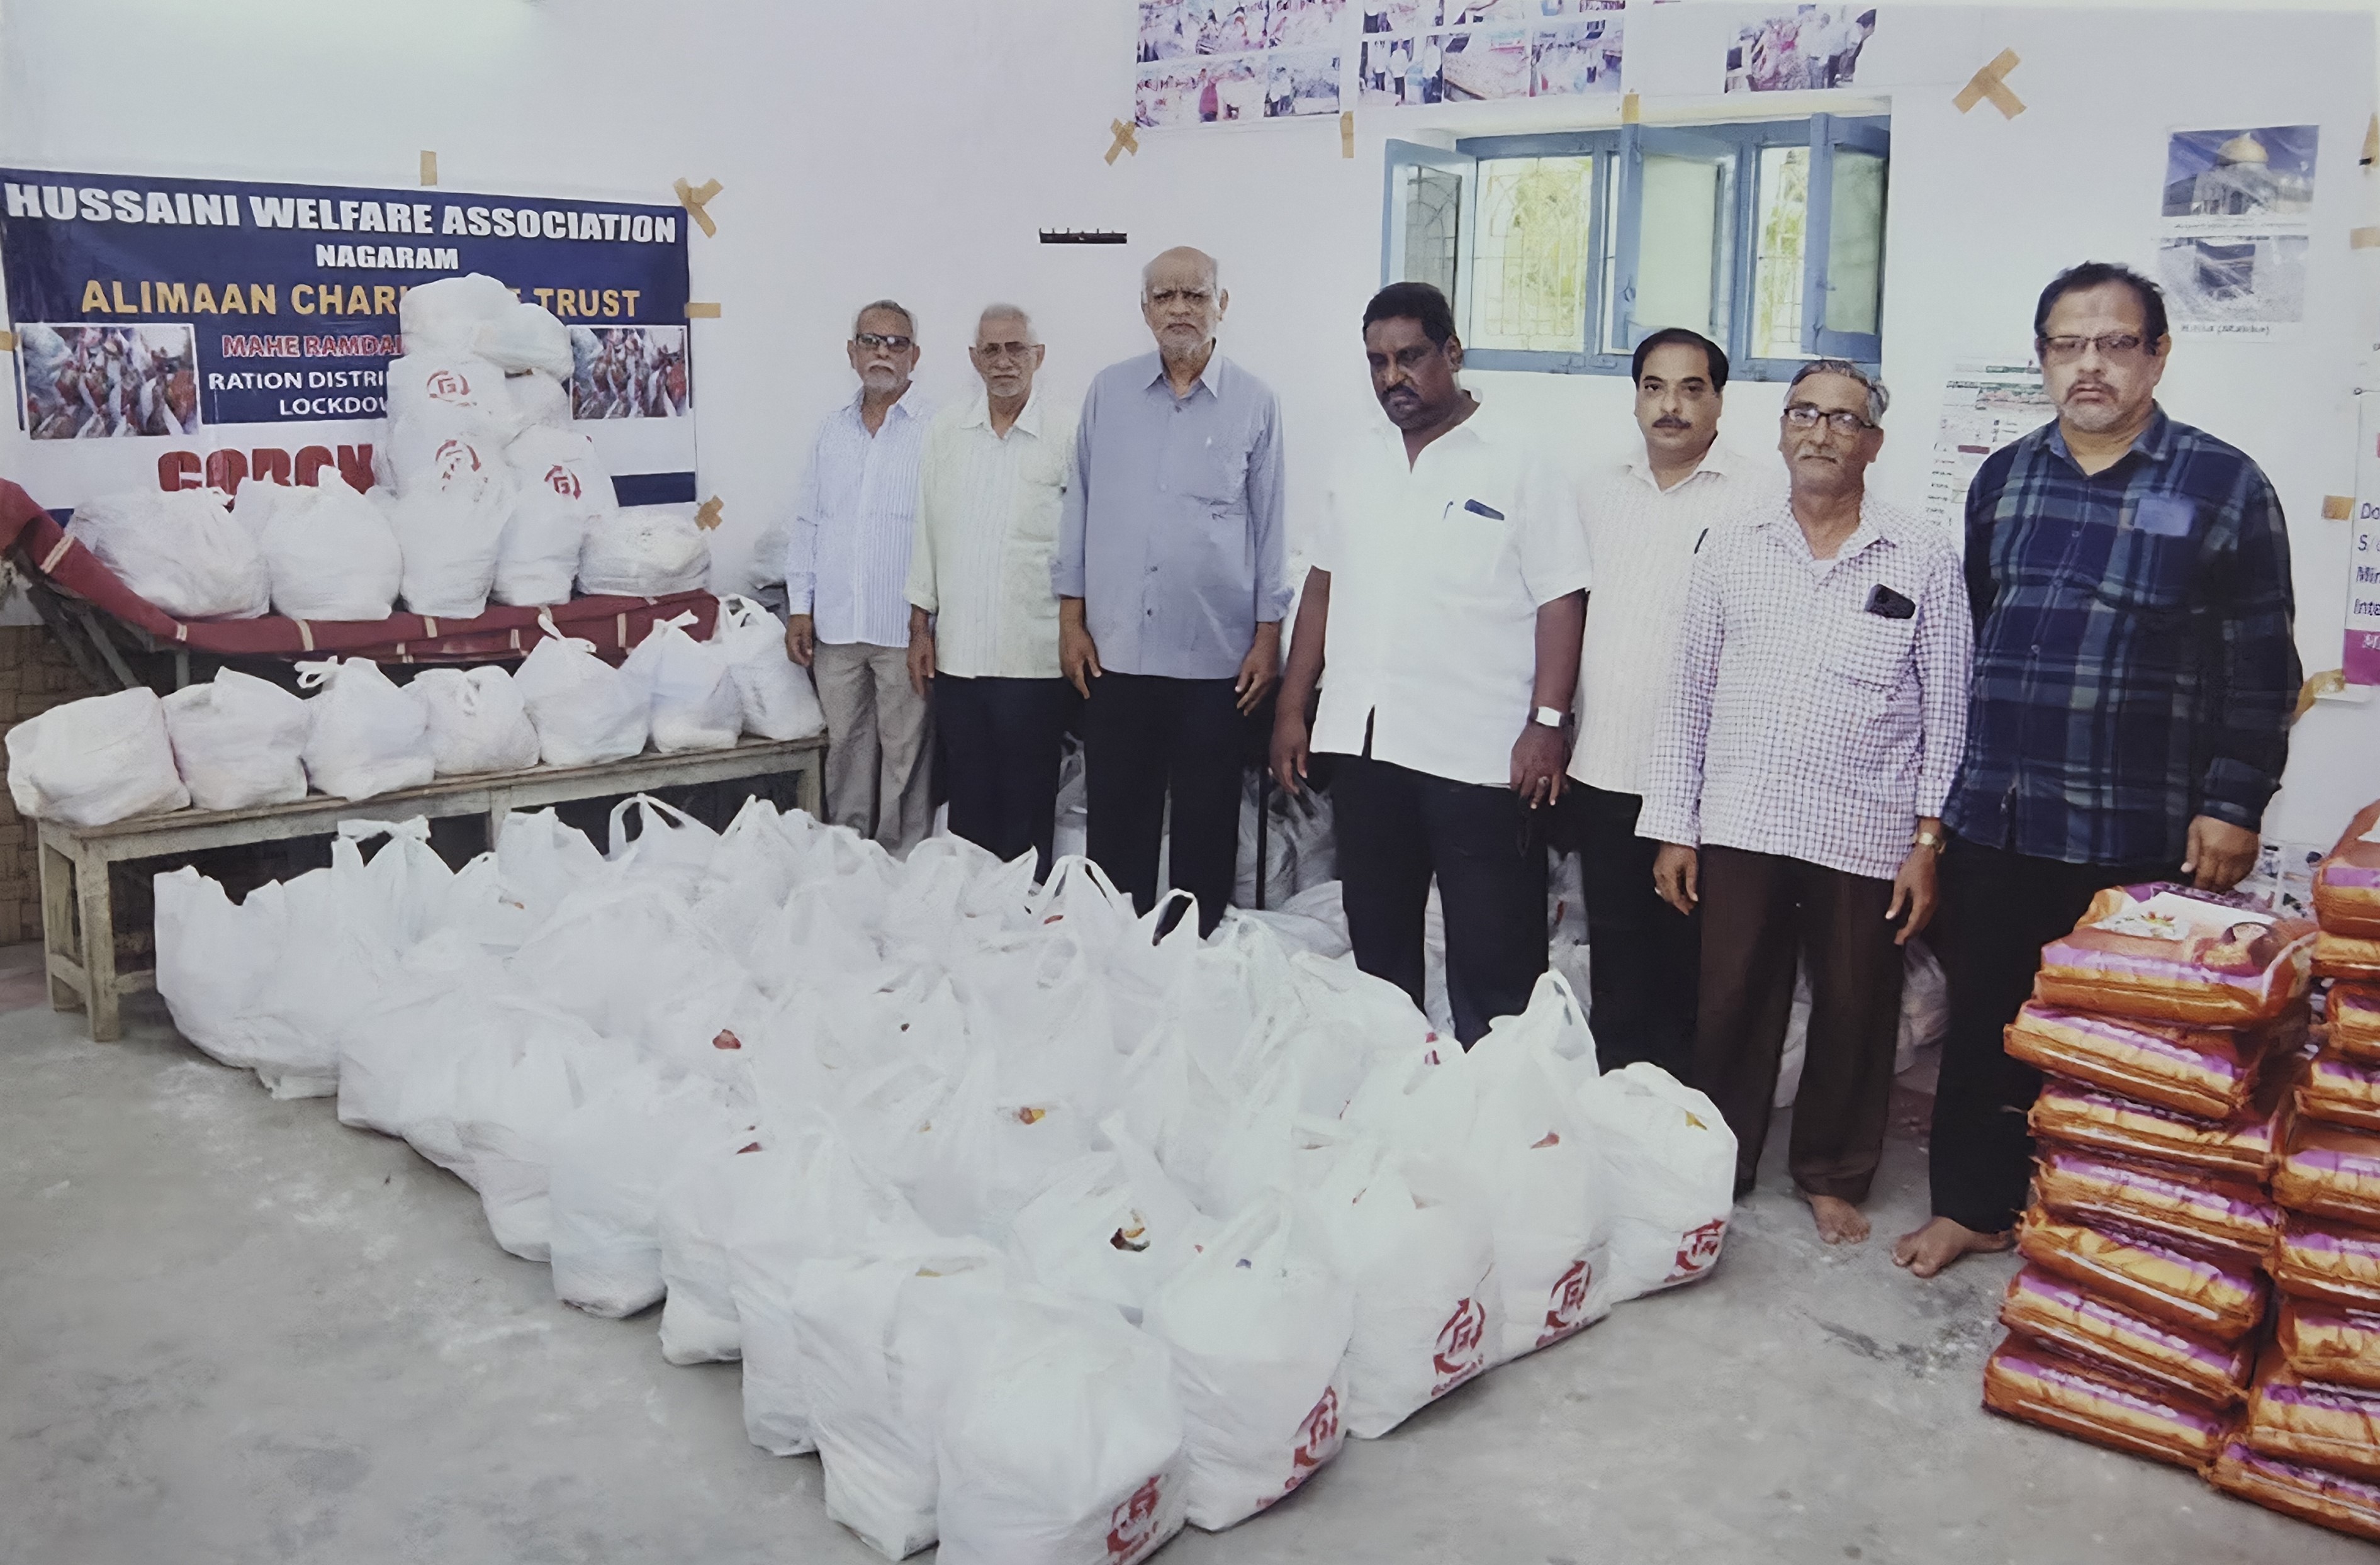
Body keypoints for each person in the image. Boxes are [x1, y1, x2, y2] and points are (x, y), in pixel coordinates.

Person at [1895, 262, 2301, 1277]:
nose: (2089, 364)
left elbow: (2260, 660)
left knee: (2128, 1043)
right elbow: (1979, 632)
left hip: (2139, 821)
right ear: (2040, 359)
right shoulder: (2004, 478)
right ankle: (1976, 1205)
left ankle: (2108, 1229)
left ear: (2157, 355)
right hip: (2001, 808)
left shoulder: (2222, 484)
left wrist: (2232, 800)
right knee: (1987, 1027)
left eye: (2114, 343)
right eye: (2066, 344)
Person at [1641, 359, 1972, 1245]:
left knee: (1855, 1003)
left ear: (1872, 442)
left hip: (1863, 827)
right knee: (1730, 1000)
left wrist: (1926, 840)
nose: (1820, 432)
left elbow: (1948, 705)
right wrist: (1674, 823)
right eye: (1803, 413)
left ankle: (1829, 1172)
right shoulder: (1733, 541)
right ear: (1781, 428)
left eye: (1842, 418)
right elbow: (1686, 694)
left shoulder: (1920, 554)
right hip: (1741, 817)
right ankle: (1722, 1159)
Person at [1272, 282, 1589, 1047]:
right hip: (1367, 745)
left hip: (1477, 753)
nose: (1392, 378)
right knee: (1378, 947)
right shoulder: (1357, 462)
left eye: (1409, 357)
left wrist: (1546, 723)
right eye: (1377, 363)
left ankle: (1497, 1109)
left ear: (1452, 352)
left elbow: (1561, 597)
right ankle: (1395, 1093)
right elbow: (1322, 582)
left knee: (1494, 958)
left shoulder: (1519, 463)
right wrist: (1292, 705)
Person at [1055, 246, 1288, 936]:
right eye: (1164, 297)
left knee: (1205, 823)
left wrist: (1268, 637)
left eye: (1194, 295)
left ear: (1222, 304)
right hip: (1117, 652)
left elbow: (1272, 524)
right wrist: (1071, 621)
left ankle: (1193, 951)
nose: (1179, 308)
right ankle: (1112, 953)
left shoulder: (1255, 402)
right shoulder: (1108, 392)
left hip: (1213, 660)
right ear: (1144, 310)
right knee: (1117, 819)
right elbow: (1079, 508)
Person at [1566, 327, 1773, 1077]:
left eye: (1691, 388)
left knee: (1694, 960)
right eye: (1654, 387)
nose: (1671, 406)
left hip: (1710, 778)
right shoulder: (1593, 491)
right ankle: (1617, 1103)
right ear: (1634, 398)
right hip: (1606, 763)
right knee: (1617, 951)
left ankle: (1687, 1115)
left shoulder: (1763, 496)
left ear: (1720, 401)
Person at [906, 306, 1078, 878]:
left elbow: (1085, 541)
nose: (1004, 362)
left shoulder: (1068, 433)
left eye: (1016, 349)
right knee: (969, 802)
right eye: (992, 351)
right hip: (959, 655)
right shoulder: (948, 430)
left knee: (1027, 806)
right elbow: (926, 530)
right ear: (975, 360)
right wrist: (919, 627)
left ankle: (1025, 923)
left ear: (1039, 356)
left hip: (1033, 657)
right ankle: (972, 923)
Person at [785, 300, 937, 855]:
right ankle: (847, 856)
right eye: (871, 341)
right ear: (851, 353)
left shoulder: (936, 431)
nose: (882, 352)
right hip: (838, 625)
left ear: (914, 356)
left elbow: (942, 532)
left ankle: (903, 859)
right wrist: (801, 607)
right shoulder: (831, 432)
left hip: (904, 627)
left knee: (906, 751)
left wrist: (928, 623)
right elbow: (808, 522)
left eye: (896, 343)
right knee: (846, 744)